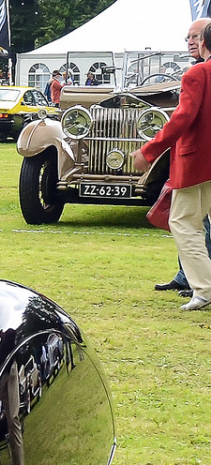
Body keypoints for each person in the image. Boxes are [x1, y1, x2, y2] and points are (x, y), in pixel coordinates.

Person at [136, 18, 211, 312]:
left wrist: (150, 149)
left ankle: (204, 288)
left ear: (204, 41)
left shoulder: (197, 73)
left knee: (183, 223)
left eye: (194, 37)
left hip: (197, 162)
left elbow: (183, 117)